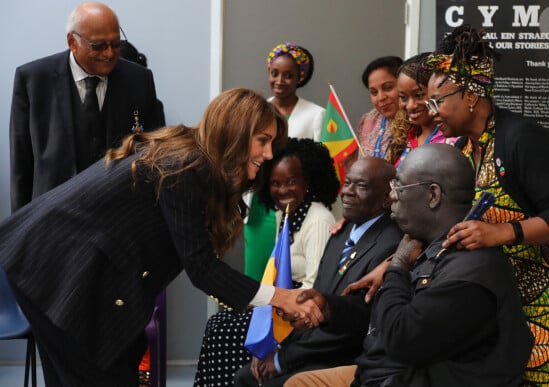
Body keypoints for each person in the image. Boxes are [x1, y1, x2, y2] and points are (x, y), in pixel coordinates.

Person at [0, 88, 325, 386]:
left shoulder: (190, 156)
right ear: (236, 133)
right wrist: (281, 297)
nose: (268, 154)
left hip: (74, 271)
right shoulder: (185, 166)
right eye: (262, 140)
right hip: (58, 270)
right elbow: (202, 269)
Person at [284, 144, 534, 387]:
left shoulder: (468, 273)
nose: (391, 195)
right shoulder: (429, 246)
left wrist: (398, 267)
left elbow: (400, 339)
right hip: (381, 372)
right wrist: (330, 308)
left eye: (399, 186)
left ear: (433, 196)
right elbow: (383, 316)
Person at [421, 25, 549, 385]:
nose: (432, 113)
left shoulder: (521, 138)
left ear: (472, 95)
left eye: (437, 101)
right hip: (504, 300)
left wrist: (501, 232)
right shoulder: (461, 149)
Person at [233, 157, 403, 387]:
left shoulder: (391, 244)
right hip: (313, 344)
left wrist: (283, 360)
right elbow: (316, 298)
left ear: (386, 198)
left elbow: (355, 325)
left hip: (344, 357)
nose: (347, 193)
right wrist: (276, 345)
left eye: (361, 186)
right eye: (348, 183)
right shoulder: (342, 232)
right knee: (245, 376)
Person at [194, 137, 339, 387]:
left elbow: (318, 286)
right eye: (275, 183)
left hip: (299, 314)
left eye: (291, 181)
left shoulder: (318, 218)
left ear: (308, 181)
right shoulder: (286, 214)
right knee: (217, 323)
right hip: (279, 304)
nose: (283, 190)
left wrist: (276, 306)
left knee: (222, 332)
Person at [9, 2, 165, 212]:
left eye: (116, 44)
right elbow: (21, 167)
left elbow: (154, 155)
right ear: (73, 42)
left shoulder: (140, 80)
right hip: (52, 219)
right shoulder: (33, 81)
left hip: (119, 219)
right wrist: (20, 230)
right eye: (99, 45)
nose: (110, 53)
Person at [244, 43, 326, 286]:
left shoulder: (316, 114)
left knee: (284, 278)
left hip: (293, 204)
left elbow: (319, 166)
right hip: (258, 205)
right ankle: (250, 324)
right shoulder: (256, 111)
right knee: (255, 280)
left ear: (300, 77)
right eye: (275, 73)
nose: (280, 80)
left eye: (288, 75)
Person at [386, 53, 456, 168]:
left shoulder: (454, 139)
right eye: (403, 97)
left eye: (419, 95)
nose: (410, 106)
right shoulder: (403, 136)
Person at [354, 56, 403, 159]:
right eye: (374, 92)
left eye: (388, 88)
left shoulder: (418, 119)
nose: (381, 98)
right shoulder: (368, 120)